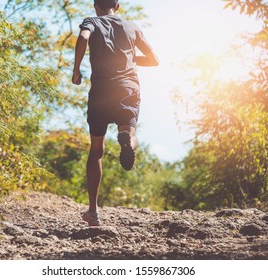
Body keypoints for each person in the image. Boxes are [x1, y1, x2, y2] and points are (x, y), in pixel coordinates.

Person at [72, 0, 159, 226]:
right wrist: (130, 57)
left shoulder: (91, 22)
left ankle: (93, 212)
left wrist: (76, 70)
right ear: (117, 6)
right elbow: (154, 60)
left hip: (101, 90)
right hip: (127, 88)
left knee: (97, 150)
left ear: (94, 6)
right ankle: (127, 141)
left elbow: (83, 38)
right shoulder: (132, 26)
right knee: (129, 131)